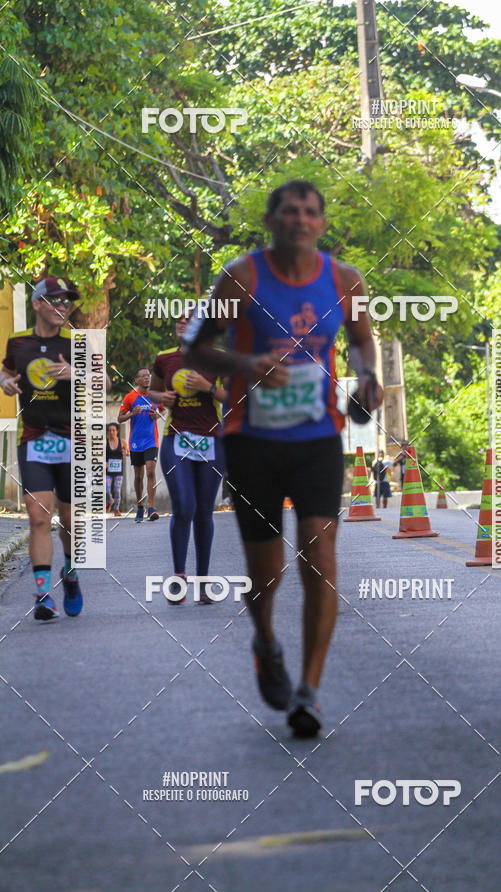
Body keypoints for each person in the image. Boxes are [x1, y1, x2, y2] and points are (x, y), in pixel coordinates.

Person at [183, 179, 383, 737]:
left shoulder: (345, 280)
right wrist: (248, 366)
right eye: (289, 211)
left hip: (318, 436)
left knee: (319, 554)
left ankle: (309, 692)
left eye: (310, 212)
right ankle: (266, 643)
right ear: (271, 221)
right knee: (265, 572)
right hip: (252, 441)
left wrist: (368, 376)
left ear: (321, 224)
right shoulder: (241, 277)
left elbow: (365, 339)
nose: (300, 219)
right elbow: (197, 347)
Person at [0, 275, 110, 620]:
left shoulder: (77, 343)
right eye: (56, 300)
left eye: (67, 301)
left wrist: (75, 374)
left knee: (70, 520)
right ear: (37, 305)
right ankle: (43, 593)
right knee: (37, 515)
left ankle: (71, 573)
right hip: (33, 438)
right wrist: (5, 381)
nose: (63, 306)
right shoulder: (18, 344)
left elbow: (104, 382)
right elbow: (5, 371)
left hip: (70, 441)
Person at [149, 313, 227, 604]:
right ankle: (179, 577)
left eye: (189, 320)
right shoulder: (164, 358)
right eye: (178, 321)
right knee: (184, 505)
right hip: (176, 438)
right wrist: (160, 398)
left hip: (211, 441)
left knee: (204, 511)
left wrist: (208, 387)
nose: (181, 324)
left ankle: (204, 582)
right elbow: (154, 389)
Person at [118, 368, 162, 522]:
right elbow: (120, 418)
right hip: (136, 442)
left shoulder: (155, 396)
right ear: (136, 380)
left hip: (151, 440)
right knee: (138, 476)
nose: (147, 378)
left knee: (150, 471)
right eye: (143, 376)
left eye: (148, 376)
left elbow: (163, 411)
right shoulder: (130, 397)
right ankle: (140, 506)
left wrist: (158, 415)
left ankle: (151, 509)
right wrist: (131, 414)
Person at [106, 422, 128, 515]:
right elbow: (98, 454)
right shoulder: (105, 442)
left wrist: (126, 452)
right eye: (110, 430)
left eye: (113, 430)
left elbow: (128, 452)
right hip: (108, 470)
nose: (112, 432)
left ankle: (116, 509)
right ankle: (109, 500)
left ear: (117, 431)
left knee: (117, 489)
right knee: (106, 489)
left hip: (119, 470)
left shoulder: (122, 442)